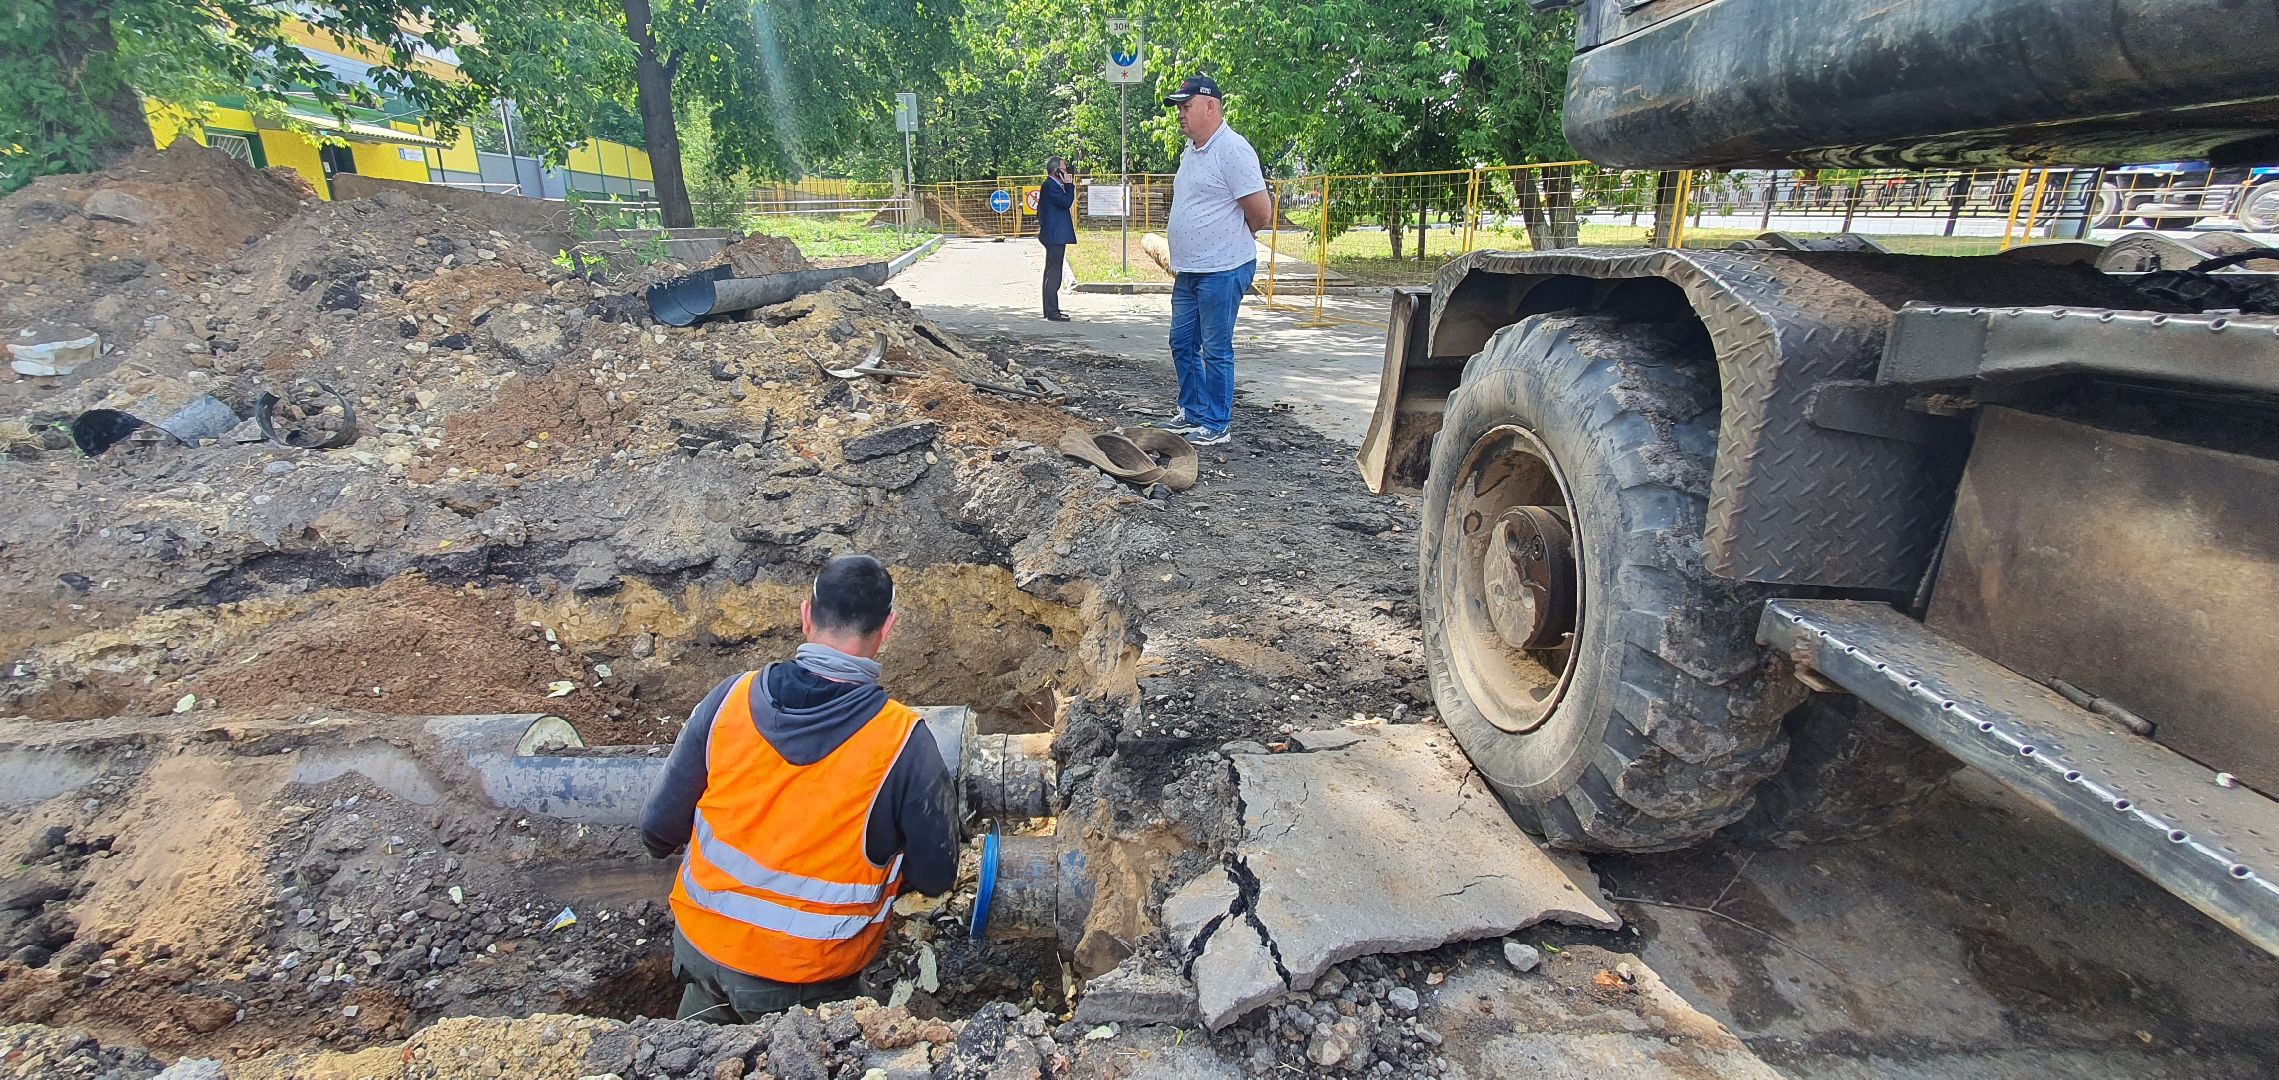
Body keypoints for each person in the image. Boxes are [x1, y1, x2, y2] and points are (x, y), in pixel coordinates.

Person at [640, 555, 958, 1023]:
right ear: (887, 626)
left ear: (806, 613)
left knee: (693, 1051)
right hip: (806, 980)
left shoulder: (730, 699)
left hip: (701, 949)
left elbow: (657, 829)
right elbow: (936, 876)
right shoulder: (903, 743)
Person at [1161, 74, 1270, 447]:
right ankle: (1192, 412)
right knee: (1182, 343)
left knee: (1215, 348)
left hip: (1222, 269)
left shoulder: (1233, 150)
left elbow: (1260, 212)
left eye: (1186, 106)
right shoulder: (1192, 151)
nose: (1180, 114)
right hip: (1190, 269)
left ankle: (1217, 422)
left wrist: (1233, 238)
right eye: (1179, 108)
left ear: (1210, 106)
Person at [1038, 156, 1077, 322]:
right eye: (1064, 168)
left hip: (1054, 234)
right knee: (1053, 274)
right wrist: (1069, 186)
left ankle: (1051, 309)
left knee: (1051, 272)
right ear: (1057, 171)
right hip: (1054, 235)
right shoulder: (1050, 186)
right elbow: (1066, 202)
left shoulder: (1051, 185)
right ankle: (1052, 311)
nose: (1066, 171)